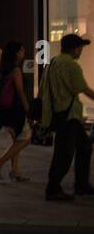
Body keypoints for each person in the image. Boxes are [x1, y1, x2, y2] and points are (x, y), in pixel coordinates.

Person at [41, 33, 94, 202]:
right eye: (80, 48)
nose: (81, 51)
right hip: (68, 115)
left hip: (58, 113)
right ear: (74, 48)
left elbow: (43, 89)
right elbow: (83, 88)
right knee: (64, 154)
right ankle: (53, 189)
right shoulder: (71, 65)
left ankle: (82, 185)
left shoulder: (53, 62)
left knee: (85, 147)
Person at [0, 41, 32, 183]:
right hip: (15, 110)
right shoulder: (15, 70)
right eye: (22, 51)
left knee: (16, 141)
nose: (23, 53)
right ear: (17, 53)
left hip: (5, 110)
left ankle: (15, 172)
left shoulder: (2, 68)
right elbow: (20, 91)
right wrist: (28, 110)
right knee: (26, 139)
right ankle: (0, 162)